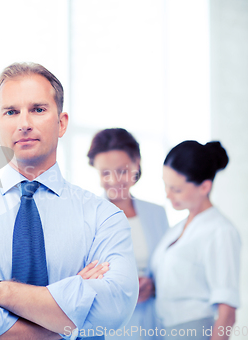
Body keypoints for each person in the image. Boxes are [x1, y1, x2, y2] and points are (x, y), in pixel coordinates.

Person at [0, 62, 139, 340]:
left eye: (38, 109)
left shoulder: (104, 218)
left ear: (61, 123)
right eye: (11, 112)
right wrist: (67, 316)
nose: (24, 124)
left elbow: (111, 311)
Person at [150, 141, 240, 340]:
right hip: (163, 330)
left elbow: (227, 313)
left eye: (177, 189)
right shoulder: (177, 229)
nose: (168, 194)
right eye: (166, 185)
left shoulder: (220, 231)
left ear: (205, 186)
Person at [87, 128, 169, 339]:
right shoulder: (87, 216)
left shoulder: (156, 213)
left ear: (137, 164)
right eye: (105, 173)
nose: (114, 180)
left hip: (152, 320)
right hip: (110, 326)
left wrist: (153, 285)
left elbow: (167, 266)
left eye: (122, 171)